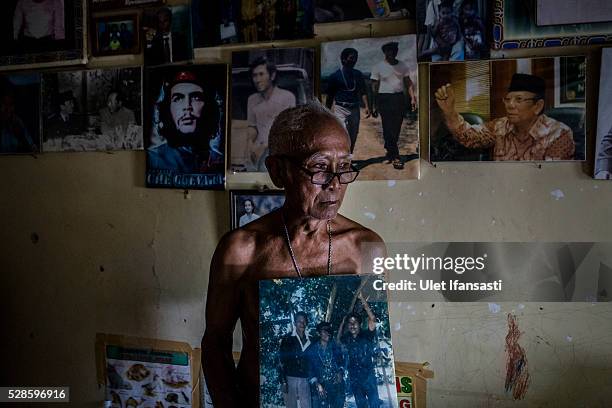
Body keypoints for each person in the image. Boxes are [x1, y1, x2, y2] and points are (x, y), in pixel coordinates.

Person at [202, 101, 386, 407]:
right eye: (319, 167)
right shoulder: (242, 249)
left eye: (344, 167)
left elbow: (370, 337)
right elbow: (215, 343)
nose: (335, 184)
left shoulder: (366, 247)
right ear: (278, 171)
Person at [434, 73, 576, 160]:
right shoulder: (500, 126)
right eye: (507, 99)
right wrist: (450, 111)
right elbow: (469, 137)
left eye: (519, 100)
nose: (510, 105)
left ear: (537, 106)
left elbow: (554, 181)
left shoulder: (559, 134)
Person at [147, 71, 221, 173]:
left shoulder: (218, 161)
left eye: (196, 97)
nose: (187, 106)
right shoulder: (154, 159)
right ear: (168, 110)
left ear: (209, 107)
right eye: (178, 99)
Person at [371, 41, 417, 170]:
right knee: (387, 127)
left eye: (395, 50)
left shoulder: (402, 66)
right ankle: (394, 155)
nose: (393, 52)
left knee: (396, 127)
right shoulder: (378, 67)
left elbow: (408, 83)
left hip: (398, 99)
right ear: (385, 52)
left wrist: (413, 98)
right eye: (390, 50)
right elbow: (374, 87)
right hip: (384, 98)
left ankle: (390, 149)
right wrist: (374, 104)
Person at [245, 57, 296, 171]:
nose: (257, 79)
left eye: (261, 74)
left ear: (272, 76)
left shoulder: (287, 97)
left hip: (278, 151)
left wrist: (263, 148)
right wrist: (250, 144)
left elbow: (287, 130)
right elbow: (253, 126)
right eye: (254, 75)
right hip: (256, 151)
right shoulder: (252, 99)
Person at [337, 292, 380, 408]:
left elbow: (373, 319)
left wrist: (363, 301)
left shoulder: (367, 335)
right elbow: (338, 340)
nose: (352, 325)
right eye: (350, 323)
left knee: (375, 405)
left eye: (355, 322)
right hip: (355, 379)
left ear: (360, 324)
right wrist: (342, 322)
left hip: (369, 378)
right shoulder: (347, 339)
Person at [325, 47, 370, 153]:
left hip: (355, 109)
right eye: (351, 58)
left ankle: (349, 156)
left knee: (353, 135)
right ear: (343, 59)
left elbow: (363, 91)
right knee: (343, 134)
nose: (354, 60)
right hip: (340, 109)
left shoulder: (358, 74)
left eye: (356, 58)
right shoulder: (334, 76)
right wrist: (326, 112)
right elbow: (330, 96)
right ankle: (343, 157)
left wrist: (367, 106)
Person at [307, 322, 345, 408]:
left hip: (336, 386)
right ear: (319, 333)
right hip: (320, 387)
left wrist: (340, 372)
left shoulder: (334, 347)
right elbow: (310, 370)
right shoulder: (312, 350)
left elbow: (341, 363)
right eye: (324, 331)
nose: (328, 333)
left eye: (329, 331)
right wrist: (318, 385)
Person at [279, 311, 312, 408]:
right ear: (294, 323)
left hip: (305, 379)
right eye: (299, 321)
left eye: (304, 321)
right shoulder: (287, 339)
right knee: (291, 405)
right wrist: (283, 381)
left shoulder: (310, 339)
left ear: (307, 323)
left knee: (307, 405)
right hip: (290, 378)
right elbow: (281, 360)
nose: (302, 324)